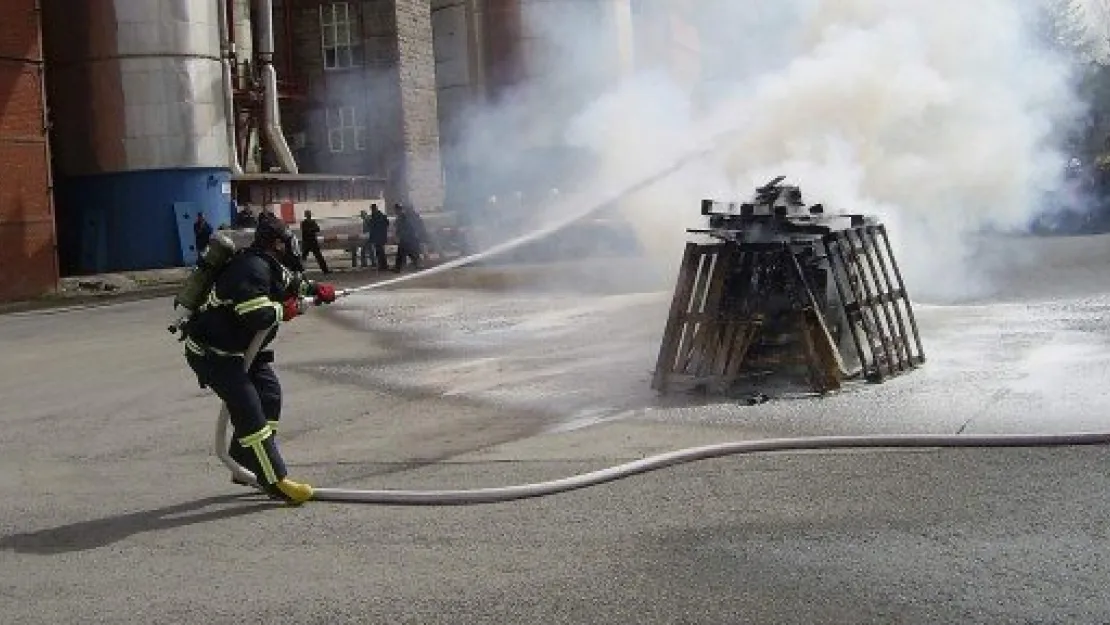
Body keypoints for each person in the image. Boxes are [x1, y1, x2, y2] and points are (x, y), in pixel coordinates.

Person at [181, 211, 337, 505]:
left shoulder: (268, 265)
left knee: (269, 395)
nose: (291, 245)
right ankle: (275, 481)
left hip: (241, 351)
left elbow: (292, 284)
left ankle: (245, 463)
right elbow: (257, 315)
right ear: (277, 243)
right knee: (250, 411)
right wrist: (289, 309)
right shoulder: (251, 269)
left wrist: (318, 291)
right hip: (214, 355)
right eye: (287, 240)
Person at [392, 203, 422, 272]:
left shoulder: (402, 216)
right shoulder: (402, 216)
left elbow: (403, 226)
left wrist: (399, 234)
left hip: (406, 237)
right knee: (407, 252)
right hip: (406, 237)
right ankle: (416, 264)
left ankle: (398, 268)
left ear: (398, 209)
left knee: (403, 252)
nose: (395, 211)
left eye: (396, 209)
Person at [362, 204, 390, 270]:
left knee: (379, 252)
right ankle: (383, 265)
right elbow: (387, 224)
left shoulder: (374, 217)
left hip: (377, 236)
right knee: (381, 251)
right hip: (382, 235)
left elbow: (371, 226)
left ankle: (383, 265)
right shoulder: (382, 215)